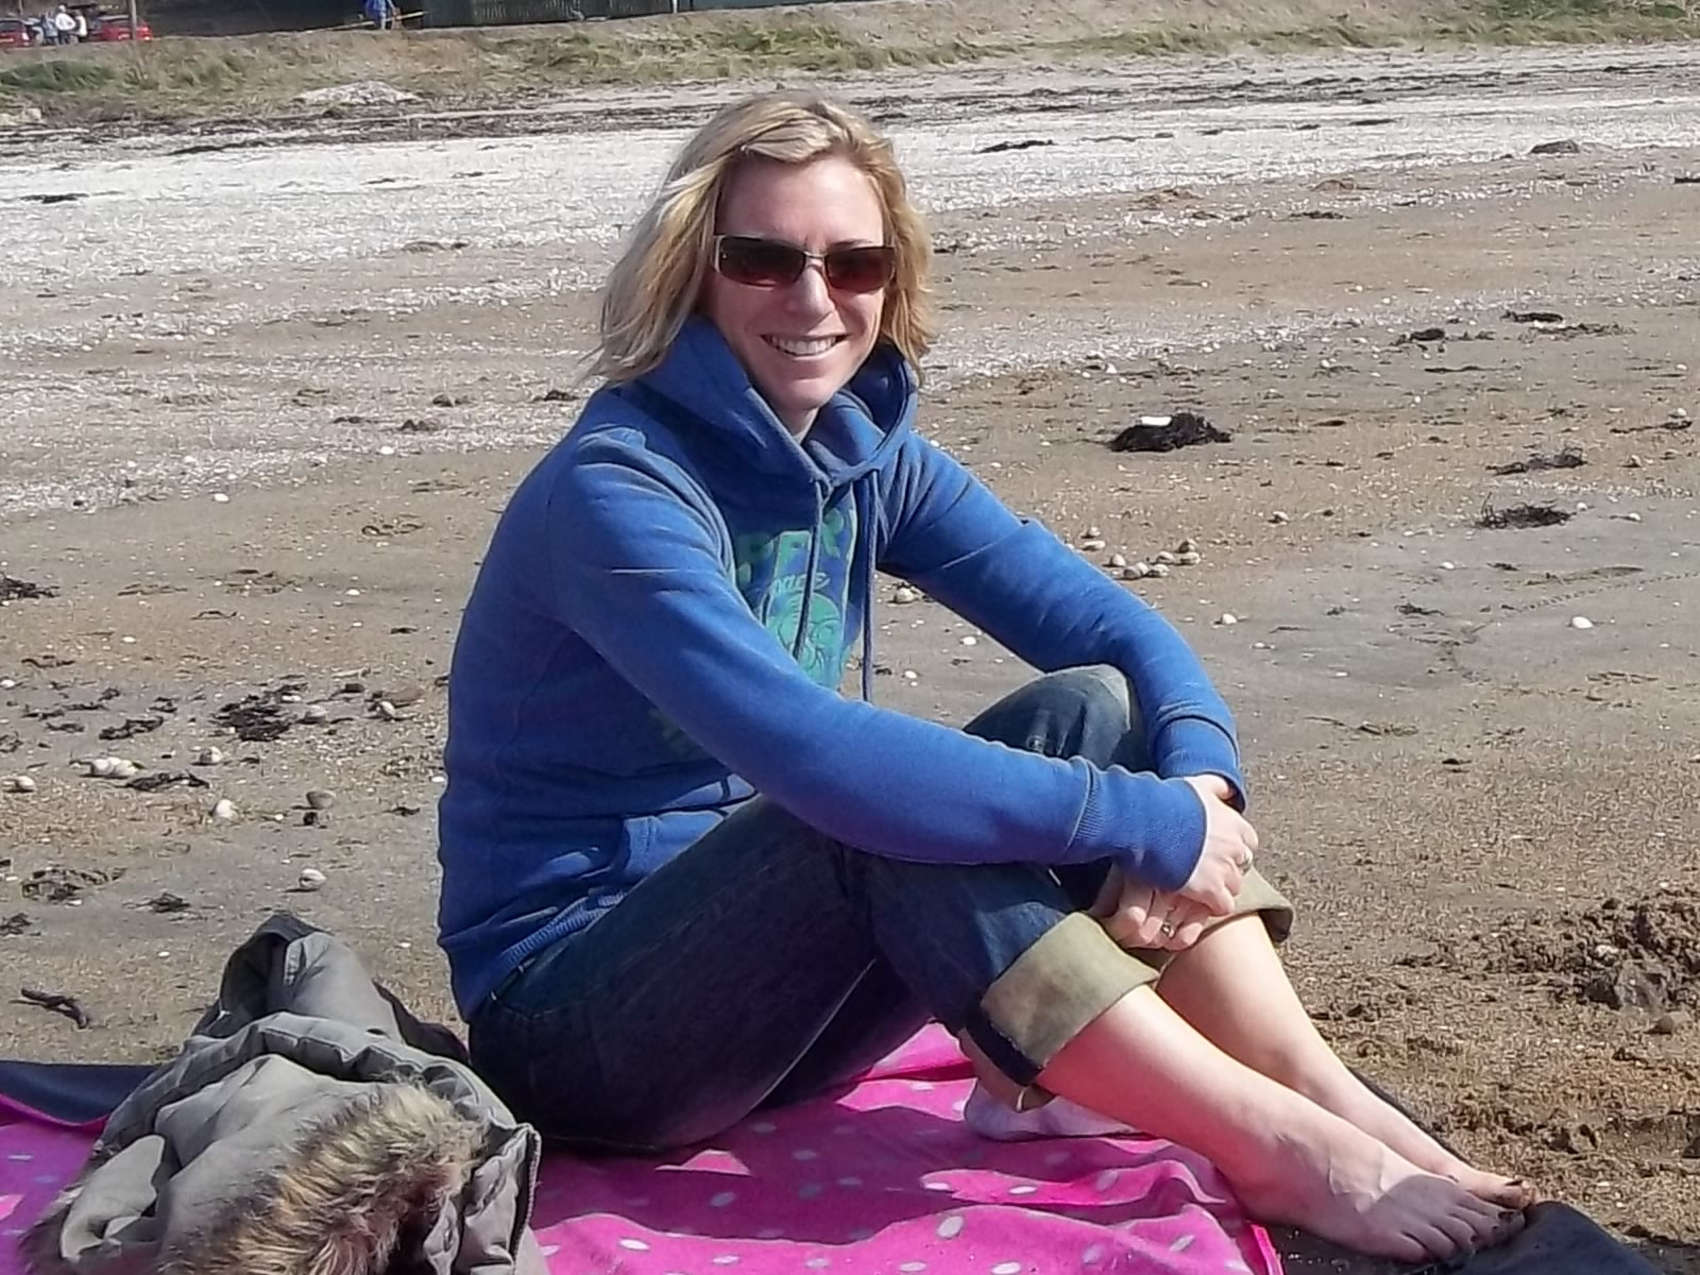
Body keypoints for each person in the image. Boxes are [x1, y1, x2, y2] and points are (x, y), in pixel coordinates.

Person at [437, 91, 1535, 1264]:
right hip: (583, 1033)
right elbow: (817, 759)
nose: (811, 300)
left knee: (1090, 710)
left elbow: (1114, 634)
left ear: (889, 278)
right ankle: (1269, 1142)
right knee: (871, 813)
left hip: (778, 1018)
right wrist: (1138, 822)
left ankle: (1307, 1083)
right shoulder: (616, 491)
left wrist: (1198, 788)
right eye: (762, 260)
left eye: (851, 263)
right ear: (691, 269)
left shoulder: (861, 457)